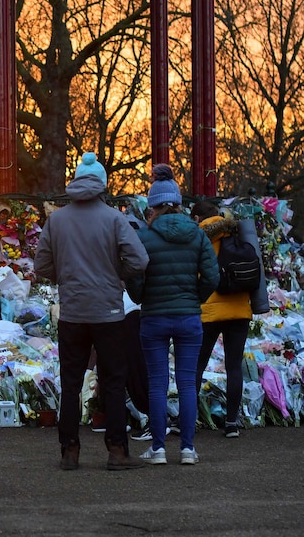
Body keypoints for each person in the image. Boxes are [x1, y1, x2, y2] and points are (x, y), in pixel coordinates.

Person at [34, 152, 149, 471]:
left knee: (70, 383)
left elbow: (41, 265)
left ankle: (69, 451)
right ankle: (116, 451)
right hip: (110, 313)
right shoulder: (115, 219)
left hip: (71, 312)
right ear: (103, 185)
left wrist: (66, 275)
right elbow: (140, 261)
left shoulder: (56, 220)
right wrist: (116, 273)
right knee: (113, 380)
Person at [126, 165, 219, 465]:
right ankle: (188, 449)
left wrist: (140, 297)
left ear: (152, 207)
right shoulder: (198, 235)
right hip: (189, 317)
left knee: (157, 383)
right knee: (188, 382)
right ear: (179, 203)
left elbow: (134, 274)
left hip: (153, 317)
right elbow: (213, 277)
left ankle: (158, 448)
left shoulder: (145, 237)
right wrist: (196, 297)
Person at [191, 199, 264, 438]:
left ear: (198, 218)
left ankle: (189, 420)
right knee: (234, 366)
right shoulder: (237, 232)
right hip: (240, 311)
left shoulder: (200, 238)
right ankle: (232, 423)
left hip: (210, 312)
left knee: (196, 366)